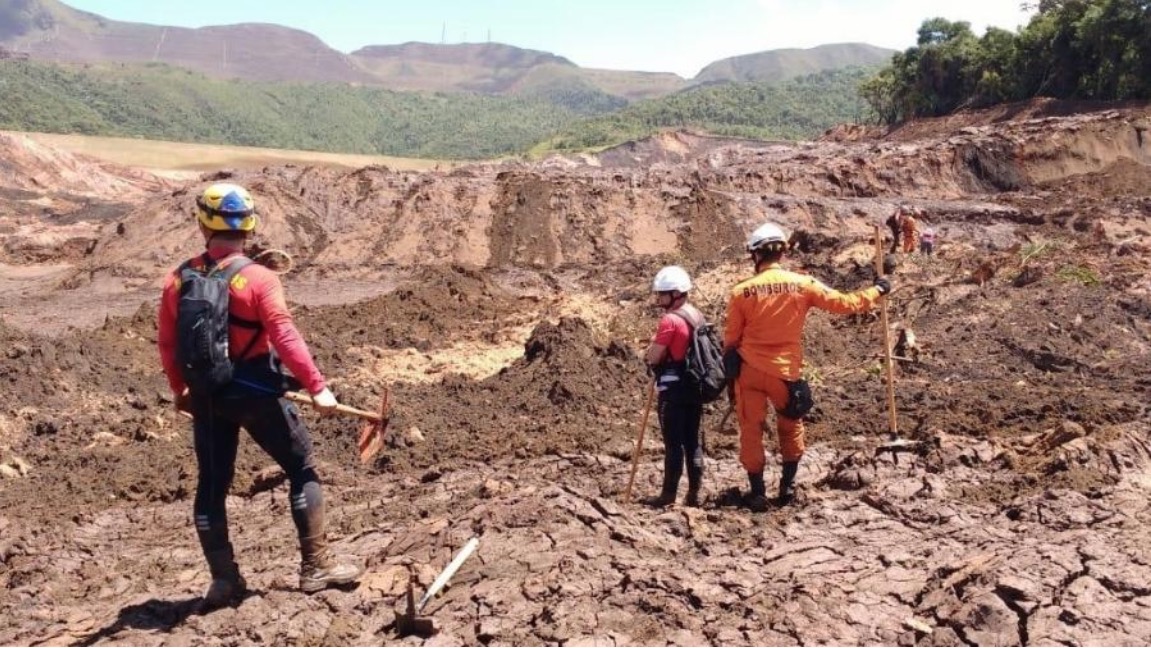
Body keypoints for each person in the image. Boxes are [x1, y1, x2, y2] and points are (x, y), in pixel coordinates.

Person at [157, 183, 361, 610]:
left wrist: (181, 391)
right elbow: (284, 335)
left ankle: (223, 581)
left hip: (208, 397)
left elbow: (168, 344)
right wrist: (318, 388)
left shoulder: (178, 279)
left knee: (212, 486)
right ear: (249, 226)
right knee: (301, 467)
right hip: (257, 391)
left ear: (202, 225)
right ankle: (316, 568)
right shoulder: (260, 279)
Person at [723, 222, 891, 511]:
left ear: (756, 255)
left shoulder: (742, 292)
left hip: (749, 372)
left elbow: (730, 341)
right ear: (783, 252)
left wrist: (730, 378)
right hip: (785, 373)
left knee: (750, 431)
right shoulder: (803, 284)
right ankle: (788, 487)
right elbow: (846, 303)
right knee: (790, 428)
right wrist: (877, 290)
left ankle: (758, 491)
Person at [642, 265, 706, 508]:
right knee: (693, 440)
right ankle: (695, 494)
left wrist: (651, 351)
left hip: (674, 389)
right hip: (694, 387)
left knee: (673, 443)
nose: (659, 299)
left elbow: (655, 357)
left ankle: (668, 494)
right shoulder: (697, 315)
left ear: (675, 294)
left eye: (662, 294)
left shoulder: (670, 320)